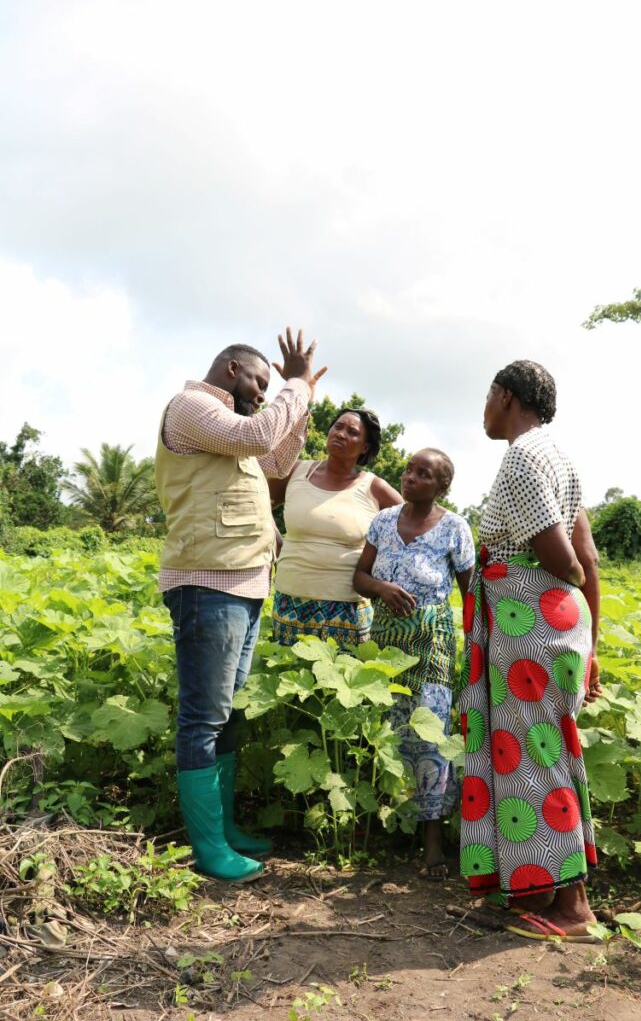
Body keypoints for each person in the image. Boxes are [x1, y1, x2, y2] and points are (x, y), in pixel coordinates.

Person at [156, 328, 325, 883]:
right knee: (204, 716)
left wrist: (299, 407)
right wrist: (294, 387)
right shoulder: (192, 407)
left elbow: (275, 462)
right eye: (259, 378)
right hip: (208, 584)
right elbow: (257, 435)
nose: (262, 389)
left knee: (225, 713)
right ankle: (208, 850)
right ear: (231, 369)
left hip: (244, 584)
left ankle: (224, 831)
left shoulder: (232, 433)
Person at [459, 360, 602, 941]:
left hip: (530, 621)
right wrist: (590, 640)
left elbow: (564, 557)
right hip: (553, 624)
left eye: (488, 397)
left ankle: (572, 908)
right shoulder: (557, 456)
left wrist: (552, 586)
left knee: (536, 750)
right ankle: (542, 884)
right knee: (548, 745)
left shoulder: (521, 456)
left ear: (505, 395)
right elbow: (589, 558)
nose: (484, 409)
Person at [354, 449, 475, 878]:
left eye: (423, 474)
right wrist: (382, 588)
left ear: (441, 486)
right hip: (386, 643)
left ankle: (433, 843)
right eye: (409, 470)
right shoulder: (384, 521)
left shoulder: (455, 528)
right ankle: (389, 825)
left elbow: (469, 595)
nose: (410, 478)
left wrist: (477, 645)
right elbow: (359, 578)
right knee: (388, 728)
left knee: (431, 733)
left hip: (433, 645)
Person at [269, 408, 402, 646]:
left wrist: (379, 577)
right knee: (288, 676)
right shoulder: (296, 472)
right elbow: (256, 505)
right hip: (290, 601)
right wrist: (279, 546)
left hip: (347, 608)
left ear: (365, 447)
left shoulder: (374, 488)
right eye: (338, 426)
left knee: (339, 680)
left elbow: (412, 523)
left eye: (352, 432)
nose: (341, 434)